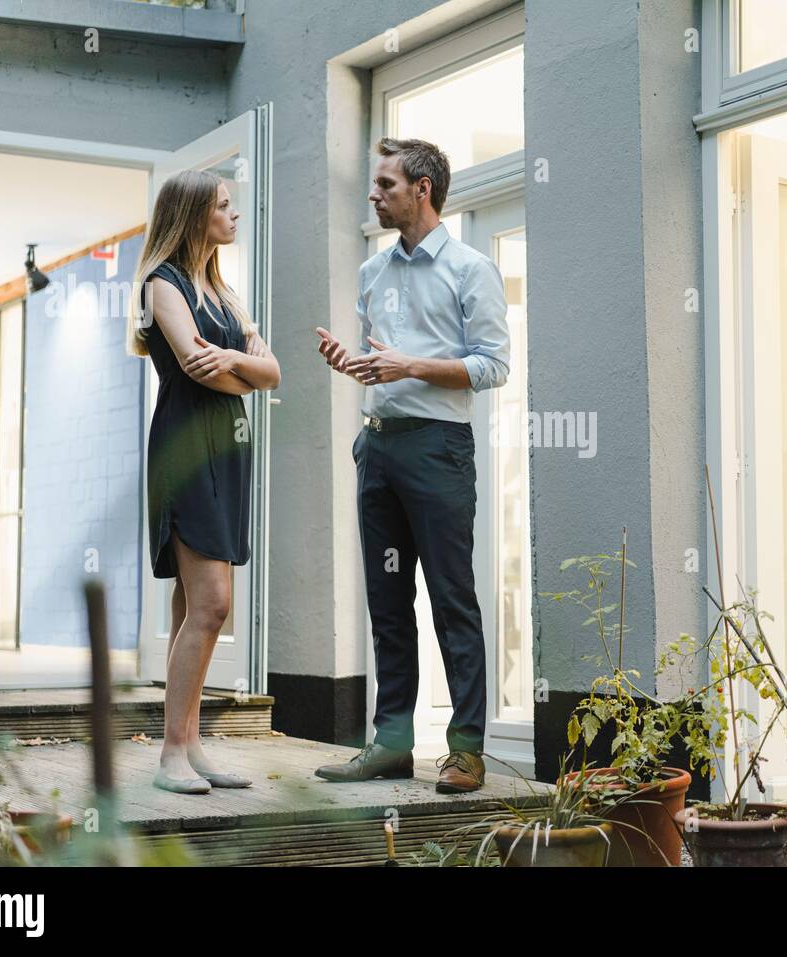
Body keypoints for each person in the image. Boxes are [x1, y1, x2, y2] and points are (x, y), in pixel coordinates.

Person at [314, 137, 510, 793]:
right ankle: (391, 743)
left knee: (453, 599)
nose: (374, 194)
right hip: (379, 446)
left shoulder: (470, 268)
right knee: (388, 602)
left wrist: (410, 365)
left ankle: (466, 751)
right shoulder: (372, 273)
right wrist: (358, 365)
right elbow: (383, 359)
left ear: (422, 189)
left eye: (386, 185)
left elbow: (492, 365)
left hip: (438, 447)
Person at [128, 169, 281, 794]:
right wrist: (242, 369)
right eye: (223, 206)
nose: (234, 215)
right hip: (186, 451)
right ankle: (171, 753)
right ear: (194, 216)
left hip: (230, 450)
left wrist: (240, 363)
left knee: (194, 604)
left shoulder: (223, 290)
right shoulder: (161, 284)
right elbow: (196, 368)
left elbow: (271, 374)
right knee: (213, 604)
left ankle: (189, 745)